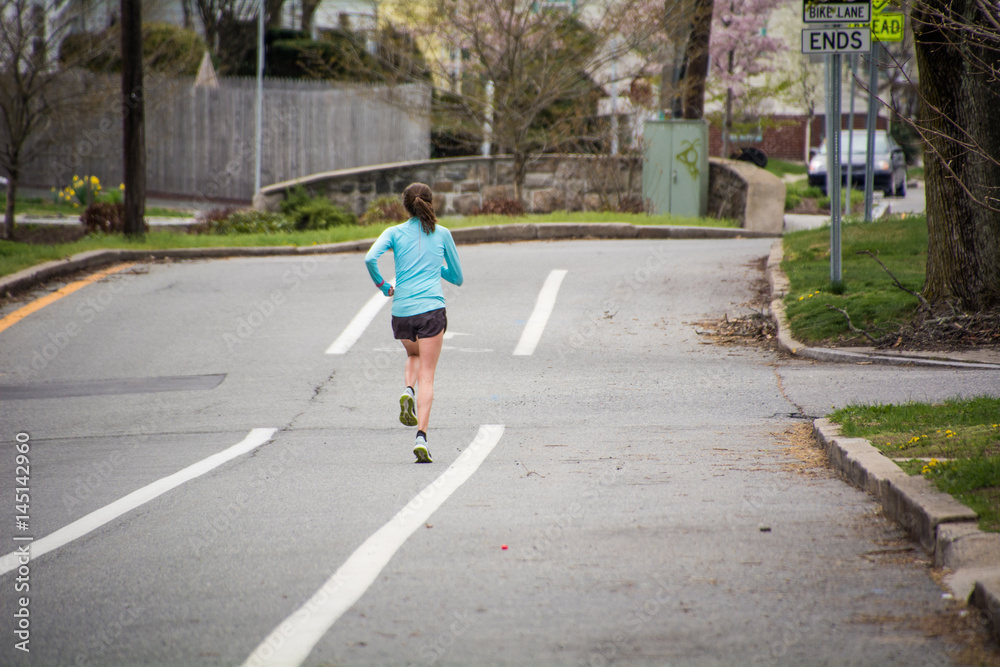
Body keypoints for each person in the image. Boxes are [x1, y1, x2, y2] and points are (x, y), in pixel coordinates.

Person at [364, 183, 464, 463]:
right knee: (428, 376)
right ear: (431, 203)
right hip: (431, 310)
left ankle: (407, 390)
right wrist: (435, 266)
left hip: (403, 311)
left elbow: (370, 257)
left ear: (406, 206)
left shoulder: (394, 232)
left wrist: (384, 286)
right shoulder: (442, 234)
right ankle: (421, 436)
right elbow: (457, 278)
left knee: (413, 354)